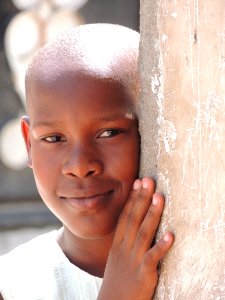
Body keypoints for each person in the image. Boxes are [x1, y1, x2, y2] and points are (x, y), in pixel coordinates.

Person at [0, 23, 174, 300]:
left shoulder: (200, 262)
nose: (80, 166)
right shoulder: (11, 284)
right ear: (28, 143)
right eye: (54, 138)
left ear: (153, 131)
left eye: (109, 133)